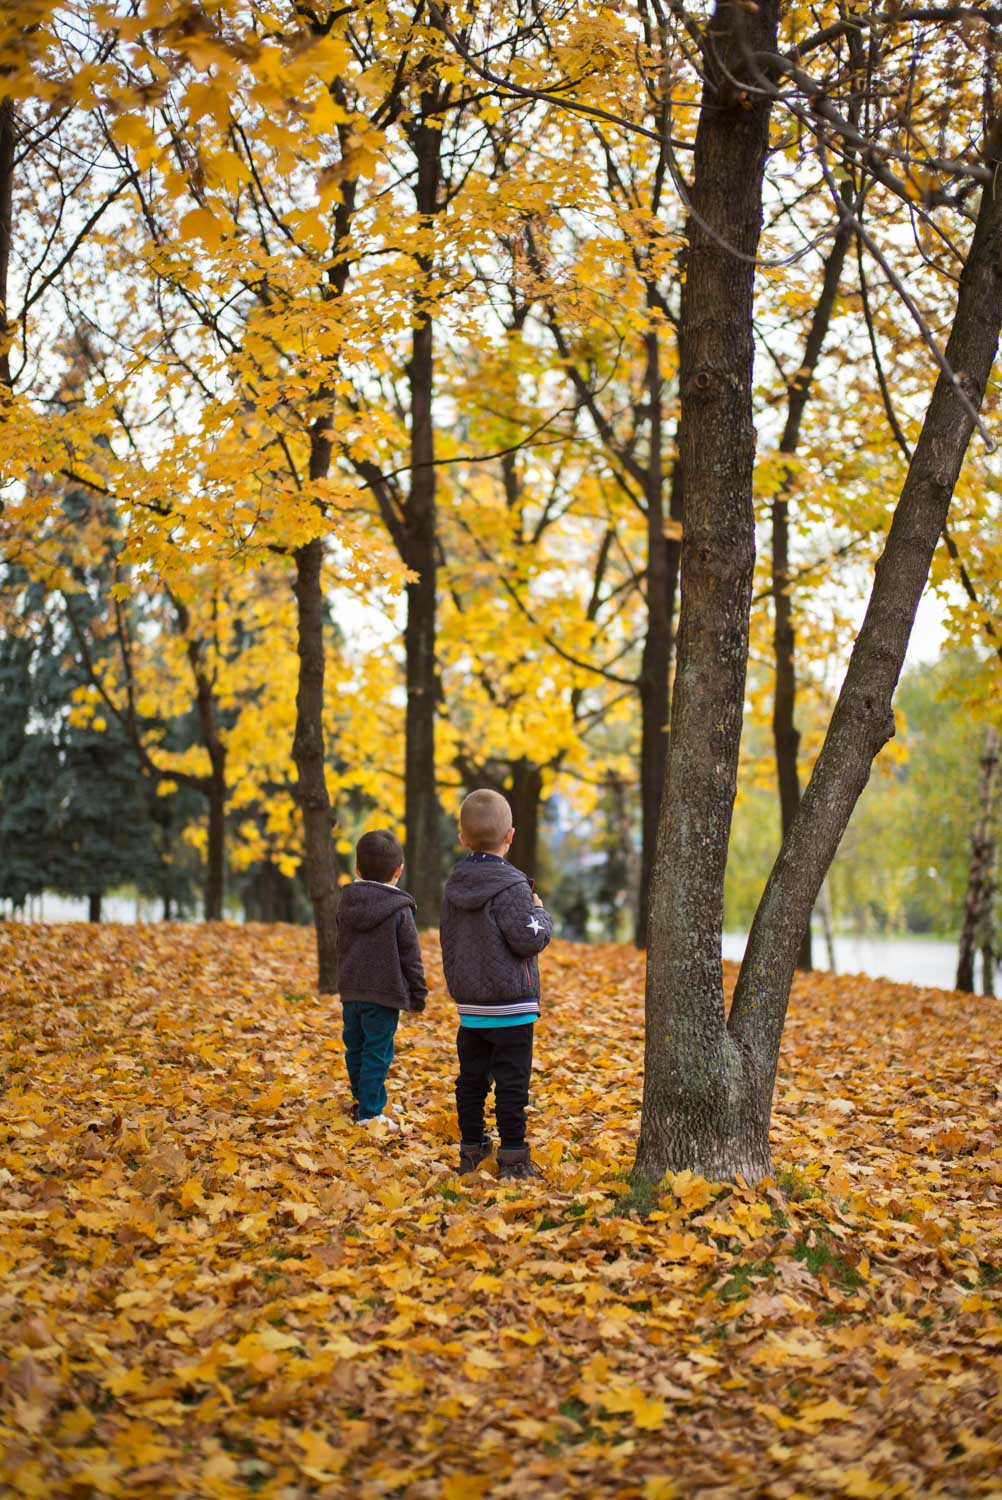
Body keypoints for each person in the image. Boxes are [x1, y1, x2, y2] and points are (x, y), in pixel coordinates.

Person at [440, 789, 552, 1179]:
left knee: (471, 1080)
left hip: (471, 1008)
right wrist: (541, 914)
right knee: (511, 1085)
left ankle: (471, 1148)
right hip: (512, 1008)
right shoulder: (514, 887)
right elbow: (528, 939)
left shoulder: (454, 887)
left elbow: (447, 939)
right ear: (511, 836)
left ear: (463, 839)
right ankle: (514, 1156)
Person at [336, 829, 427, 1129]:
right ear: (399, 871)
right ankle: (370, 1112)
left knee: (356, 1047)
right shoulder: (400, 910)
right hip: (384, 993)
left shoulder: (346, 903)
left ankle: (365, 1098)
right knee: (377, 1051)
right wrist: (418, 993)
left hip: (351, 990)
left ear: (358, 869)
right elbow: (410, 957)